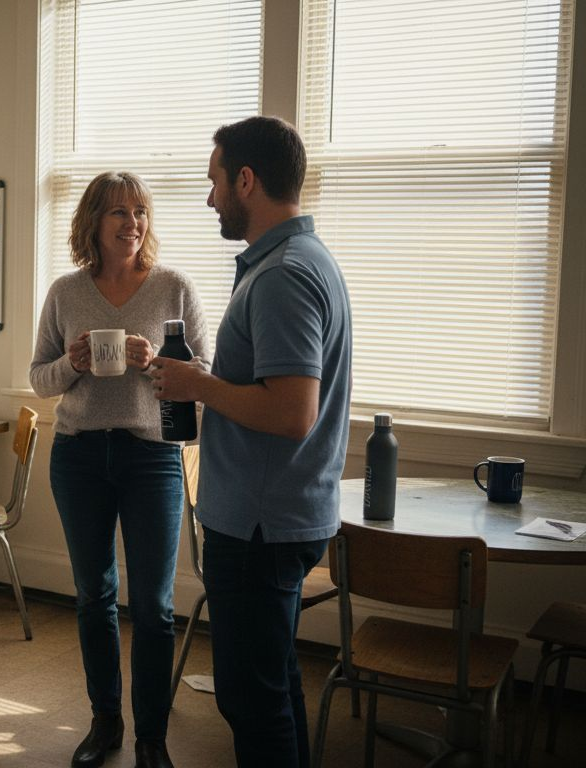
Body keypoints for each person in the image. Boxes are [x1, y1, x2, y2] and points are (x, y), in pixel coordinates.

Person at [149, 116, 353, 768]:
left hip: (262, 527)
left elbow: (293, 413)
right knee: (274, 685)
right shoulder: (303, 261)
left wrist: (196, 383)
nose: (210, 198)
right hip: (280, 516)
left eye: (214, 181)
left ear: (247, 179)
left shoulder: (283, 276)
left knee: (250, 700)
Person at [30, 171, 207, 768]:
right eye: (118, 213)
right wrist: (73, 364)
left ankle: (150, 738)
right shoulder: (64, 292)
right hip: (78, 454)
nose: (132, 223)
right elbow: (39, 379)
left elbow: (204, 376)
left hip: (152, 457)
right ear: (93, 223)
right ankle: (105, 722)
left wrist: (157, 361)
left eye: (139, 211)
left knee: (154, 607)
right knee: (93, 596)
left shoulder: (173, 288)